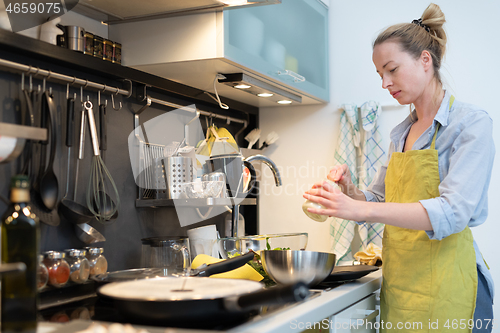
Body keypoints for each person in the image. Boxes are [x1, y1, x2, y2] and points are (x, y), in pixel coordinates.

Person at [303, 3, 494, 333]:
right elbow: (378, 199)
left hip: (453, 286)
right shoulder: (401, 132)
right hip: (404, 285)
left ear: (424, 60)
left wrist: (357, 209)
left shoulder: (470, 124)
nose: (384, 83)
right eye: (380, 74)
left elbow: (452, 212)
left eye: (391, 69)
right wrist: (350, 192)